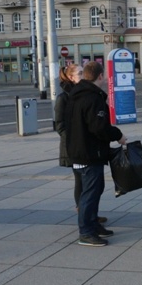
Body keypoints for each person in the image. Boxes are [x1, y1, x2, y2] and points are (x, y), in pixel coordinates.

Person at [66, 61, 127, 247]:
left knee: (93, 191)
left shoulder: (75, 95)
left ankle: (92, 225)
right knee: (90, 194)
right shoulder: (93, 98)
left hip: (78, 151)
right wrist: (118, 135)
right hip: (88, 153)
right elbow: (99, 127)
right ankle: (85, 232)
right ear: (100, 76)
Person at [55, 65, 108, 224]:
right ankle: (85, 216)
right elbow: (60, 125)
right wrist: (75, 138)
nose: (82, 75)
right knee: (82, 182)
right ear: (71, 78)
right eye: (79, 73)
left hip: (85, 145)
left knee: (94, 184)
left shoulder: (84, 94)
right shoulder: (64, 97)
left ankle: (91, 215)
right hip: (75, 146)